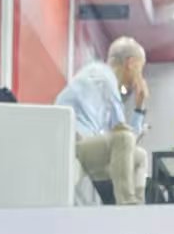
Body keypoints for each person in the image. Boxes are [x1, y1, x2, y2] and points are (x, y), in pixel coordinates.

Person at [56, 36, 150, 205]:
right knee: (124, 139)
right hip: (70, 143)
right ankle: (127, 205)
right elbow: (124, 137)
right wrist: (139, 106)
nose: (140, 76)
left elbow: (126, 150)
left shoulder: (97, 79)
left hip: (82, 145)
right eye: (140, 68)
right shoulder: (104, 77)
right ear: (130, 63)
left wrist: (139, 109)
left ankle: (139, 204)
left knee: (140, 156)